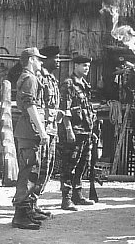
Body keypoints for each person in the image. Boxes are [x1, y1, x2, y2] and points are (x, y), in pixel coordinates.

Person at [12, 47, 49, 230]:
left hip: (28, 130)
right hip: (29, 130)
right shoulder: (30, 78)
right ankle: (20, 215)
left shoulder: (28, 77)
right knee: (27, 172)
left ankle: (27, 211)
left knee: (31, 171)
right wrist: (42, 131)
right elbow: (30, 105)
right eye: (39, 59)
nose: (41, 62)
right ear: (31, 59)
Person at [58, 55, 97, 210]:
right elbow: (64, 110)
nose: (86, 68)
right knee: (69, 165)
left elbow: (88, 109)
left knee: (82, 164)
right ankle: (66, 199)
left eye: (88, 66)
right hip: (73, 131)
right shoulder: (68, 84)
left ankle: (77, 195)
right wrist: (68, 130)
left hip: (85, 131)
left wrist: (92, 131)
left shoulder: (85, 85)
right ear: (75, 67)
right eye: (83, 66)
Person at [32, 46, 62, 217]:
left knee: (47, 168)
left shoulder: (51, 79)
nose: (58, 62)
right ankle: (29, 203)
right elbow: (36, 105)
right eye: (55, 58)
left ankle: (35, 201)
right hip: (41, 129)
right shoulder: (38, 77)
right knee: (37, 167)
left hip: (51, 128)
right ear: (46, 59)